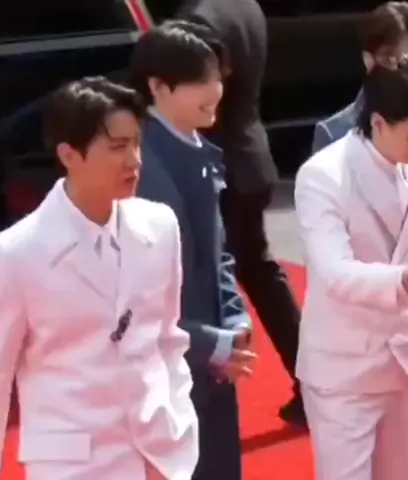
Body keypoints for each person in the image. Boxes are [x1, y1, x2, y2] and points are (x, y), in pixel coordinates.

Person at [0, 77, 199, 480]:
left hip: (161, 458)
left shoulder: (160, 226)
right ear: (69, 154)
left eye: (137, 143)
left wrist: (177, 429)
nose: (134, 160)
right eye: (118, 147)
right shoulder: (16, 253)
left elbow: (168, 341)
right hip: (72, 465)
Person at [130, 24, 254, 480]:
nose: (215, 90)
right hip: (161, 372)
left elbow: (218, 255)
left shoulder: (197, 149)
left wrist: (235, 320)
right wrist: (212, 343)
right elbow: (134, 297)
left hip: (212, 363)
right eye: (201, 80)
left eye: (217, 77)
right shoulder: (139, 166)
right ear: (159, 87)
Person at [172, 0, 303, 424]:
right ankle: (313, 382)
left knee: (209, 279)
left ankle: (207, 394)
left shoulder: (198, 18)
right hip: (250, 155)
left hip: (220, 165)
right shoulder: (245, 5)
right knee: (260, 272)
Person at [295, 63, 408, 480]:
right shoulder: (324, 175)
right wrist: (403, 281)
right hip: (345, 370)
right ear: (378, 123)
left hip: (402, 365)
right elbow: (334, 273)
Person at [312, 1, 408, 154]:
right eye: (388, 58)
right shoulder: (333, 134)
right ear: (368, 59)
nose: (399, 70)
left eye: (406, 61)